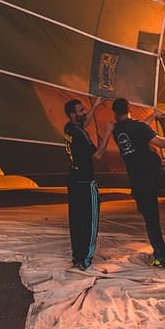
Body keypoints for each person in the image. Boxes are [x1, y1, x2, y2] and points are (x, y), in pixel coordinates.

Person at [101, 97, 165, 269]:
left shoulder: (116, 130)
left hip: (139, 182)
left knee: (152, 222)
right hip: (157, 174)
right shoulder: (138, 127)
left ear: (115, 113)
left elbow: (140, 128)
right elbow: (161, 142)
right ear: (130, 109)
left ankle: (163, 258)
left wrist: (152, 117)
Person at [63, 98, 103, 270]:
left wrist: (95, 106)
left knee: (76, 219)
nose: (85, 112)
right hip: (86, 181)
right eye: (81, 110)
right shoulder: (81, 135)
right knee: (90, 219)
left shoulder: (69, 128)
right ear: (73, 115)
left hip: (73, 179)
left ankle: (76, 255)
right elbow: (98, 155)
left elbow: (83, 124)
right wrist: (107, 132)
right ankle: (86, 259)